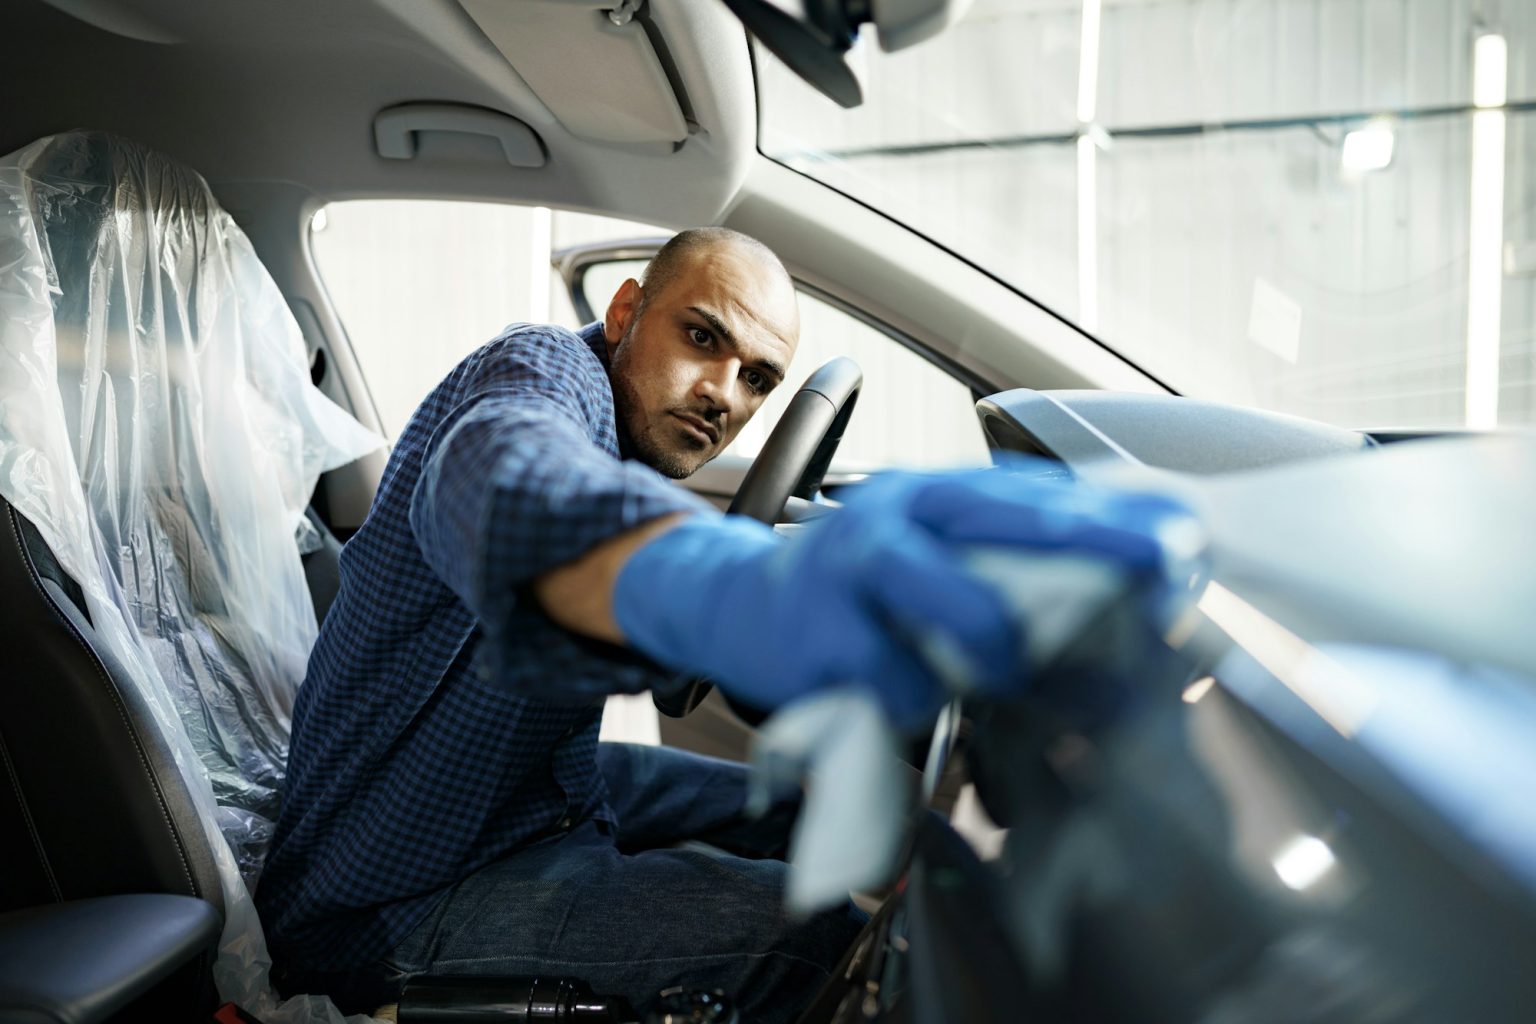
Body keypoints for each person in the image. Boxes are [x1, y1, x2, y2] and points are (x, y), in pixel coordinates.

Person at [255, 227, 1188, 1022]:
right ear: (625, 311)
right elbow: (508, 487)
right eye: (702, 338)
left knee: (814, 810)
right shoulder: (538, 374)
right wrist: (736, 585)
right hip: (387, 899)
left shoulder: (624, 435)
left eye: (758, 379)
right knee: (812, 939)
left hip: (522, 802)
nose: (723, 394)